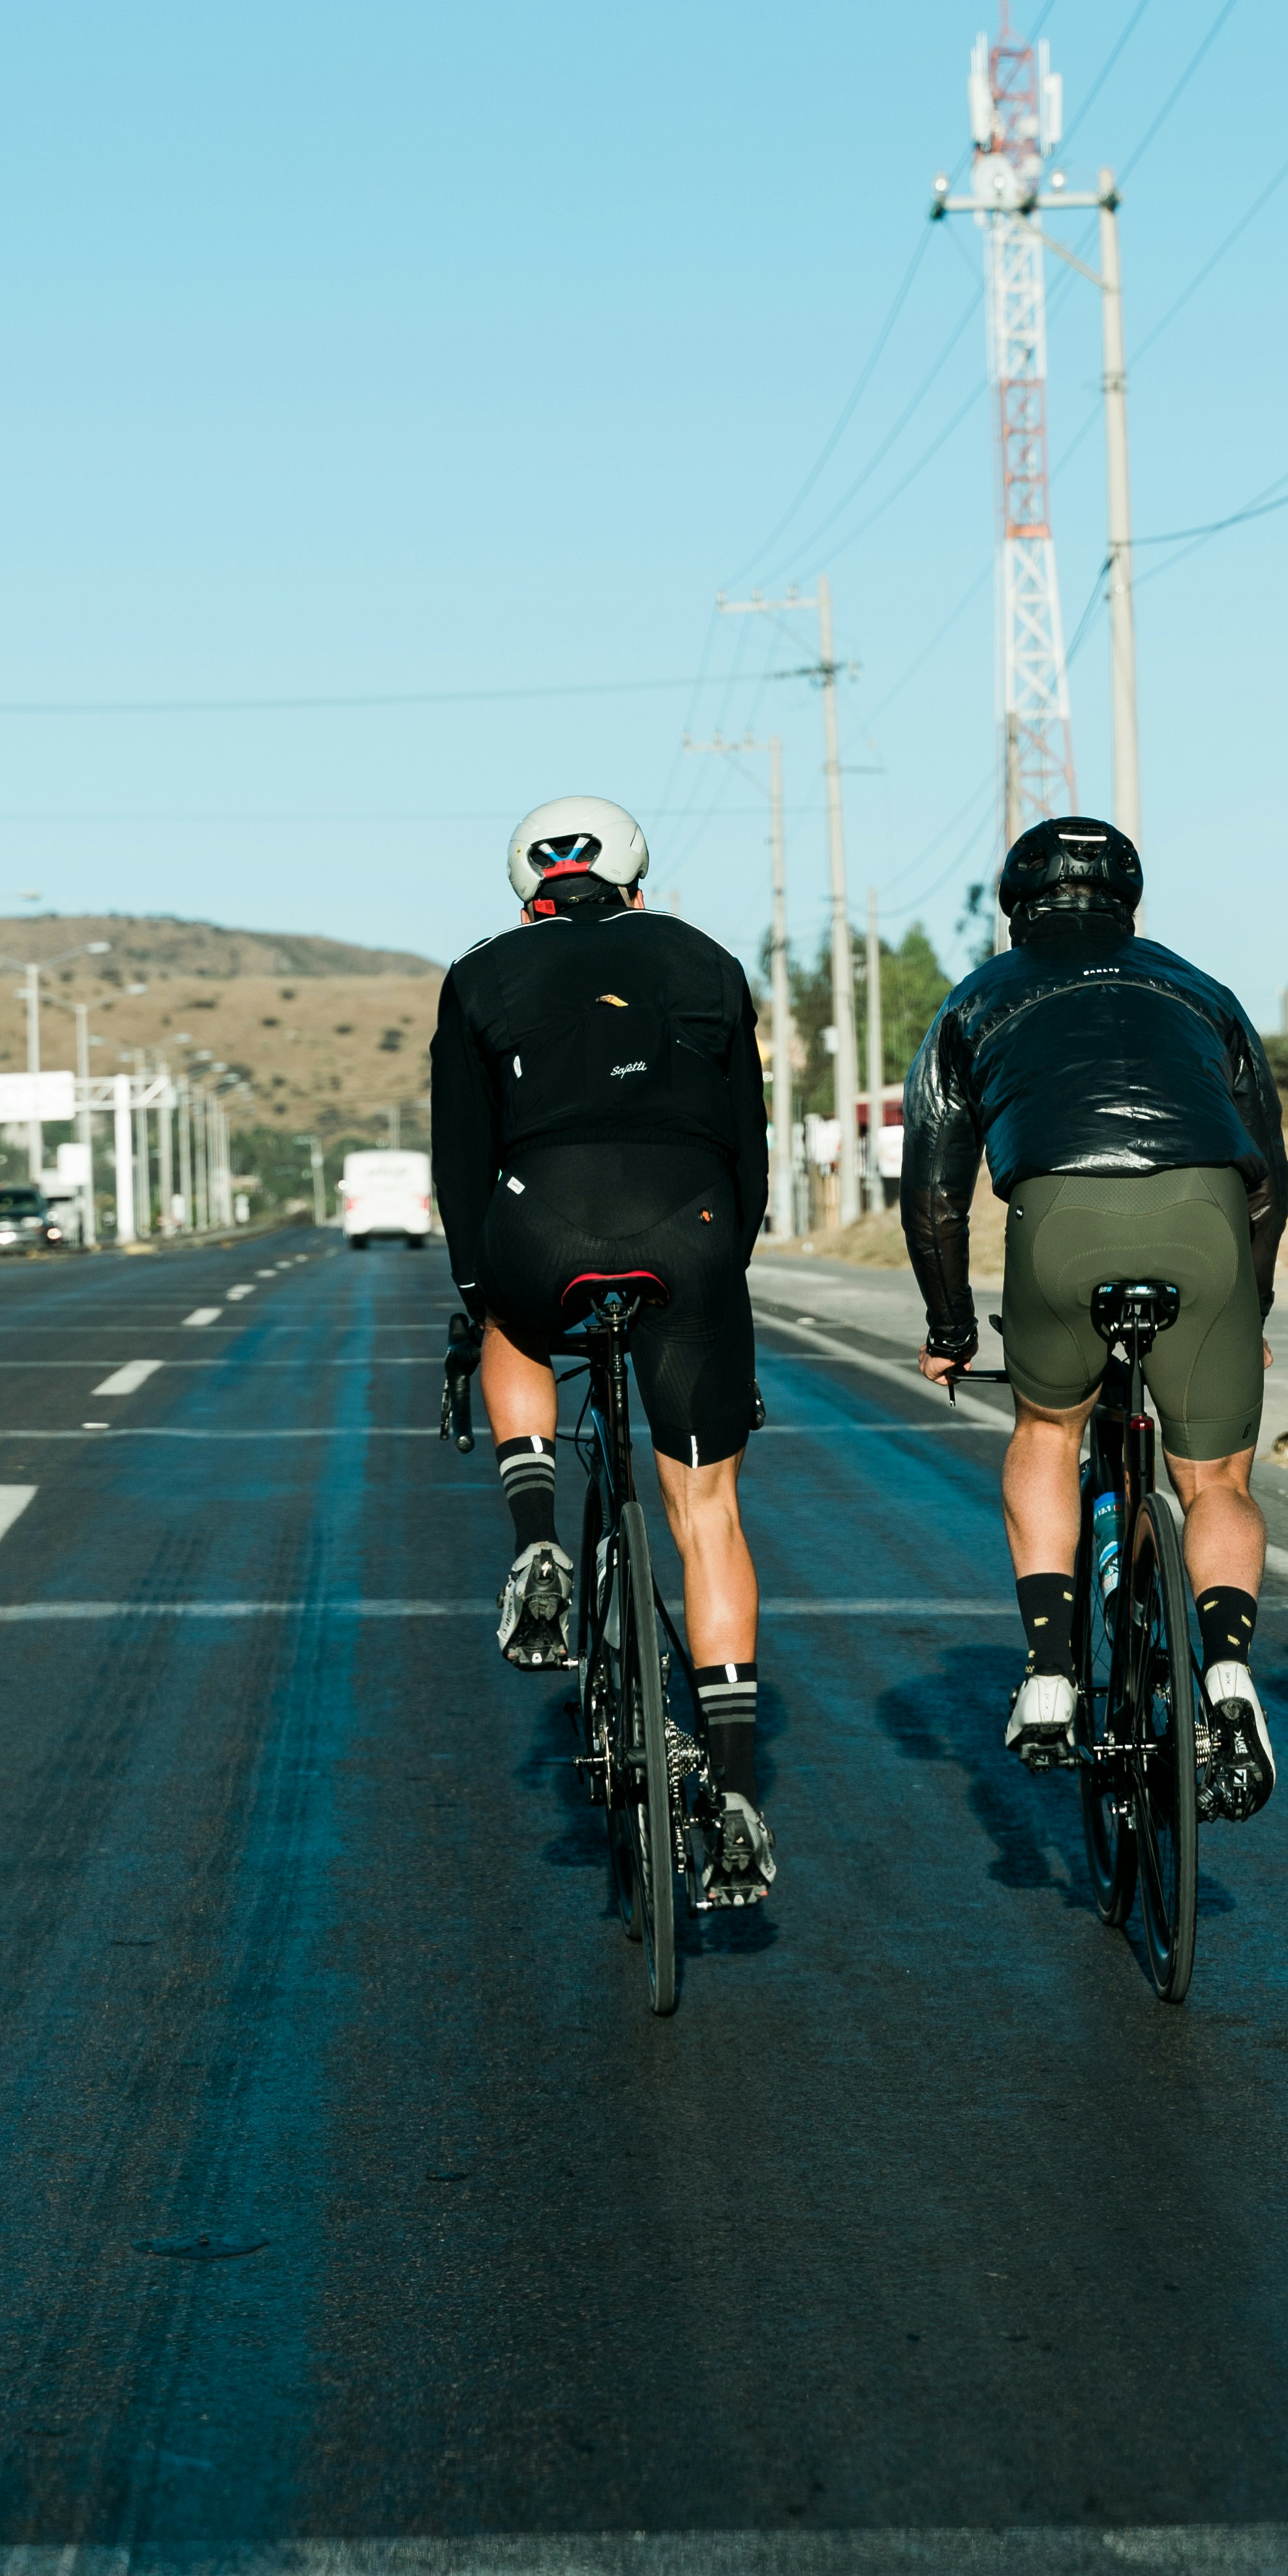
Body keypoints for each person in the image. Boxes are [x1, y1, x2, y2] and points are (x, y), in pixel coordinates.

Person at [897, 816, 1288, 1818]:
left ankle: (1048, 1676)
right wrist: (1252, 1308)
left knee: (1046, 1427)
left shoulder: (974, 999)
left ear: (1016, 905)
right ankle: (1233, 1680)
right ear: (1129, 900)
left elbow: (935, 1195)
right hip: (1205, 1219)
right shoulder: (1202, 987)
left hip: (1059, 1221)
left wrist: (952, 1331)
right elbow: (1269, 1178)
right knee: (1217, 1483)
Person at [429, 793, 778, 1904]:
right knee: (708, 1514)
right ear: (635, 872)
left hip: (543, 1212)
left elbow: (461, 1158)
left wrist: (475, 1281)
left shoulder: (479, 974)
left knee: (510, 1314)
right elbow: (751, 1144)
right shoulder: (706, 957)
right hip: (694, 1220)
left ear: (525, 883)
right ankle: (728, 1791)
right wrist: (727, 1269)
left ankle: (537, 1536)